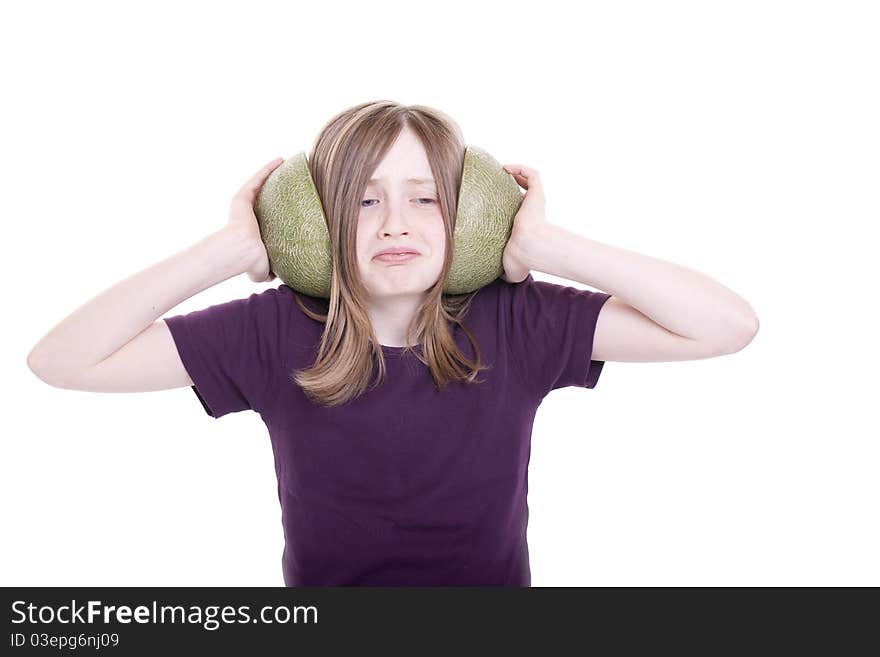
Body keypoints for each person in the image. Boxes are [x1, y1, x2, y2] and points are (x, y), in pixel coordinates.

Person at [26, 100, 760, 586]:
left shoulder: (519, 321)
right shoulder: (273, 329)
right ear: (319, 220)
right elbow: (60, 361)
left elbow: (726, 326)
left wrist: (541, 241)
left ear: (469, 213)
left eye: (425, 197)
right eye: (365, 199)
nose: (395, 223)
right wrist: (226, 253)